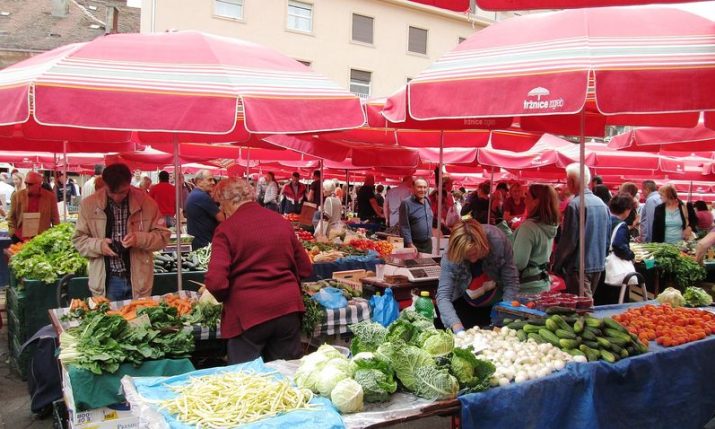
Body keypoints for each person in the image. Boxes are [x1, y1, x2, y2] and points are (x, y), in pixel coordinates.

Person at [205, 177, 312, 364]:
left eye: (221, 205)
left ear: (228, 202)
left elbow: (216, 281)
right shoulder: (281, 222)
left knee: (247, 380)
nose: (222, 210)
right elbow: (305, 267)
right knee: (286, 373)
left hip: (248, 315)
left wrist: (230, 296)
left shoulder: (226, 230)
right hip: (287, 310)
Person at [73, 163, 169, 301]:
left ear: (129, 183)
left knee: (139, 321)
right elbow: (78, 240)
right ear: (104, 184)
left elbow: (163, 237)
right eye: (112, 193)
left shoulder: (147, 203)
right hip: (105, 281)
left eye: (123, 192)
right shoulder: (88, 205)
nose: (117, 197)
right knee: (110, 321)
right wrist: (100, 245)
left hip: (139, 280)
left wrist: (139, 239)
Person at [436, 219, 519, 331]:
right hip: (464, 303)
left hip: (495, 302)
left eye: (475, 253)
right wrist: (456, 326)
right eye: (467, 256)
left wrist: (502, 318)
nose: (473, 260)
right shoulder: (450, 255)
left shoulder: (498, 241)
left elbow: (511, 282)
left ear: (483, 244)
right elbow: (443, 296)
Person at [553, 164, 610, 298]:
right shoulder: (601, 204)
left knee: (583, 308)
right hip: (597, 262)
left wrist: (557, 263)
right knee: (586, 304)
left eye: (567, 180)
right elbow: (607, 238)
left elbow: (569, 241)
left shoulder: (575, 205)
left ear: (572, 181)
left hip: (579, 265)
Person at [512, 184, 559, 294]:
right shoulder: (550, 225)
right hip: (542, 283)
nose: (524, 201)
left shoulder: (528, 228)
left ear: (536, 201)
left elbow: (518, 263)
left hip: (526, 288)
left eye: (527, 197)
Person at [8, 172, 60, 243]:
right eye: (26, 183)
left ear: (39, 184)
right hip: (20, 238)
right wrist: (13, 234)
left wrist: (55, 236)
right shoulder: (17, 196)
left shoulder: (50, 197)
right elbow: (11, 217)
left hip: (42, 238)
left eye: (30, 184)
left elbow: (55, 219)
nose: (27, 186)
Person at [184, 170, 225, 250]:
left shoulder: (195, 194)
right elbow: (222, 218)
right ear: (199, 182)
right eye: (209, 180)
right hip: (204, 243)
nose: (213, 182)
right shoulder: (201, 196)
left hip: (199, 241)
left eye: (213, 179)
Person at [399, 178, 433, 254]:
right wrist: (409, 244)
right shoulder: (406, 203)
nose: (422, 190)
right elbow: (404, 226)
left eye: (424, 187)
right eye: (419, 187)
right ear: (413, 188)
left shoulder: (427, 201)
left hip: (427, 244)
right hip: (414, 244)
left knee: (428, 265)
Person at [608, 193, 636, 262]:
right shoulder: (621, 225)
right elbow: (619, 246)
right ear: (627, 210)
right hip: (614, 264)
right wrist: (631, 255)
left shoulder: (606, 219)